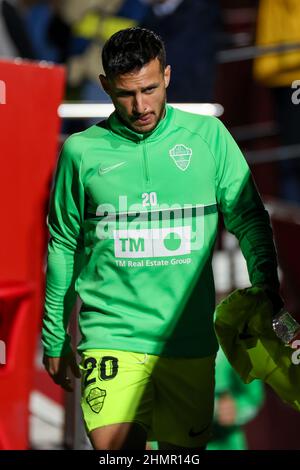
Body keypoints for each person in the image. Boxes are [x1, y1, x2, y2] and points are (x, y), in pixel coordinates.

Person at [42, 27, 283, 451]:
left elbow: (248, 217)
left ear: (167, 75)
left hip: (187, 342)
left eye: (150, 89)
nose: (140, 106)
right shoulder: (81, 151)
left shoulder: (208, 137)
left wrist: (267, 287)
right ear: (104, 87)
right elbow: (63, 243)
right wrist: (54, 334)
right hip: (111, 337)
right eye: (125, 94)